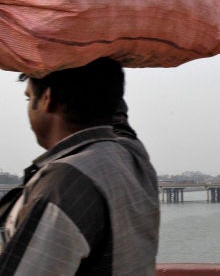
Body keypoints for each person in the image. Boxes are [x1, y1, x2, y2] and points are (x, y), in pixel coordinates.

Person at [0, 58, 160, 275]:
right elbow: (116, 117)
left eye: (29, 98)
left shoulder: (63, 185)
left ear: (47, 98)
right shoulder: (131, 156)